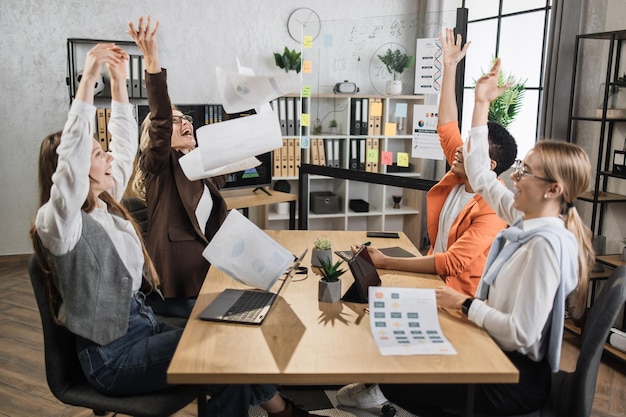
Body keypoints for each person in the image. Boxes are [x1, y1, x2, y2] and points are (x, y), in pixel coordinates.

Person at [30, 38, 315, 417]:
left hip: (144, 328)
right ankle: (281, 410)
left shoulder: (107, 206)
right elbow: (75, 152)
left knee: (233, 351)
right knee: (226, 352)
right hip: (112, 356)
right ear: (73, 168)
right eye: (98, 153)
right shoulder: (59, 223)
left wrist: (118, 82)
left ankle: (279, 408)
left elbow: (125, 135)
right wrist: (89, 79)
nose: (110, 156)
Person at [377, 58, 594, 416]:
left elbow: (521, 335)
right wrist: (481, 103)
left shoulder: (545, 247)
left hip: (509, 378)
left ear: (553, 189)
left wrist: (462, 303)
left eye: (525, 172)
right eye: (518, 167)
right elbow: (481, 174)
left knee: (395, 377)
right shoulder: (525, 218)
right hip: (493, 352)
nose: (514, 178)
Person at [336, 29, 517, 410]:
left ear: (490, 164)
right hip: (432, 270)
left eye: (471, 150)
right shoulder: (461, 168)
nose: (459, 150)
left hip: (453, 289)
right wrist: (449, 66)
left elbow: (451, 264)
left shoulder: (492, 207)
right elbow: (445, 124)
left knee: (378, 293)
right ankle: (374, 375)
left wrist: (387, 260)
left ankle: (383, 387)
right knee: (360, 290)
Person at [128, 16, 228, 319]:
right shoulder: (158, 166)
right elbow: (158, 120)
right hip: (176, 286)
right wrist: (153, 61)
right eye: (176, 120)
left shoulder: (202, 167)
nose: (185, 122)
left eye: (187, 118)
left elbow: (232, 161)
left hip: (208, 275)